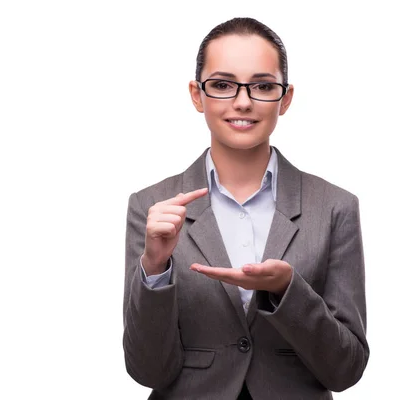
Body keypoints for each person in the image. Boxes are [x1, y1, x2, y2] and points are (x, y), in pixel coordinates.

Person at [122, 17, 368, 399]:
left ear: (285, 98)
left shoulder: (334, 207)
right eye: (222, 85)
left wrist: (288, 290)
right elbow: (148, 369)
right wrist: (154, 269)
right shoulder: (152, 207)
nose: (242, 102)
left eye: (263, 86)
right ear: (196, 94)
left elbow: (346, 369)